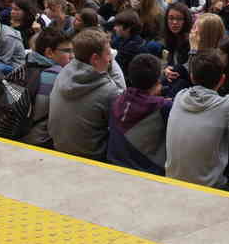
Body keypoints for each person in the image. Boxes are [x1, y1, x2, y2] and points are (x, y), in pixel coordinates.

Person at [165, 49, 229, 188]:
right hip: (209, 188)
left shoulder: (180, 96)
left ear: (192, 76)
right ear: (222, 79)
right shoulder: (227, 106)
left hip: (172, 180)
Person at [48, 28, 126, 160]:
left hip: (59, 147)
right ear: (95, 58)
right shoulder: (108, 90)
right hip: (91, 157)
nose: (110, 59)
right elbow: (120, 124)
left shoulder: (63, 72)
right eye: (108, 54)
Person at [106, 53, 172, 174]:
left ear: (130, 78)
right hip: (146, 172)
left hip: (112, 165)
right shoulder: (163, 107)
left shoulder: (118, 99)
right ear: (157, 81)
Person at [21, 27, 73, 148]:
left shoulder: (23, 67)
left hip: (13, 134)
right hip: (39, 144)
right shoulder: (59, 76)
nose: (72, 56)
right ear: (49, 53)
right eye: (67, 51)